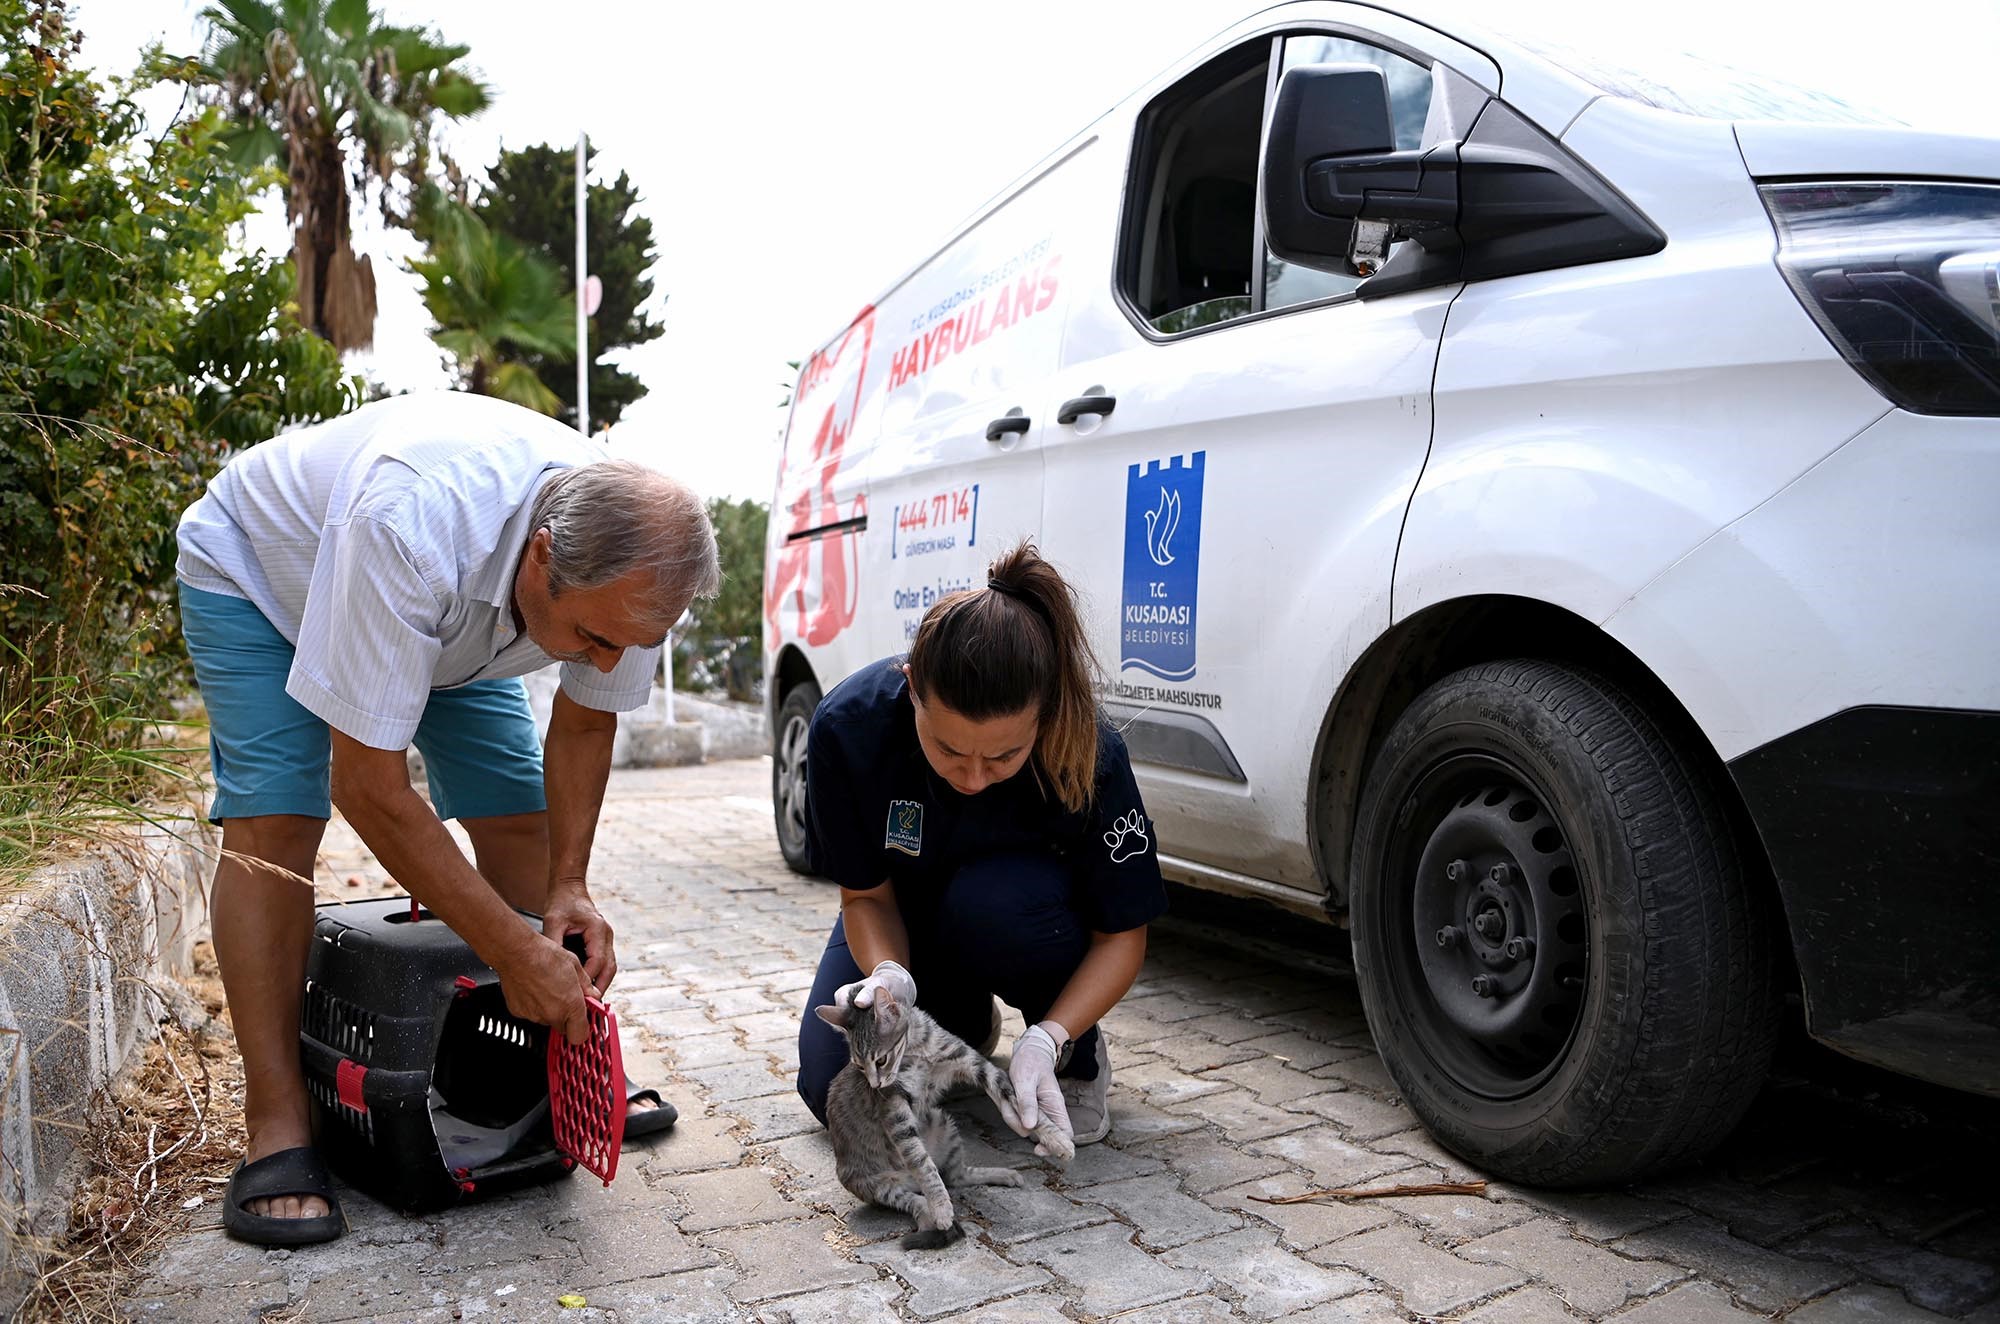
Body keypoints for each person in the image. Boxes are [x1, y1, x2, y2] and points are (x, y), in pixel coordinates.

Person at [174, 392, 720, 1246]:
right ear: (541, 558)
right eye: (591, 637)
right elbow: (372, 790)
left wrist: (567, 888)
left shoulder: (637, 572)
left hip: (461, 627)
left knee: (519, 817)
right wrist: (513, 946)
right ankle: (277, 1123)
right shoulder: (411, 521)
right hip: (263, 580)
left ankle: (564, 1064)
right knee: (276, 827)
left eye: (626, 643)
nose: (607, 661)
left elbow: (584, 721)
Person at [794, 541, 1167, 1149]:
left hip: (1020, 921)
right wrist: (889, 979)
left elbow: (1122, 936)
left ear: (1043, 716)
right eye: (947, 750)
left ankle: (1071, 1057)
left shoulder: (1091, 752)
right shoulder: (847, 730)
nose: (971, 778)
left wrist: (1050, 1036)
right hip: (905, 921)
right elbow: (864, 897)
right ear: (912, 689)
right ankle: (960, 1022)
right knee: (829, 1085)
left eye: (1003, 757)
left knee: (991, 902)